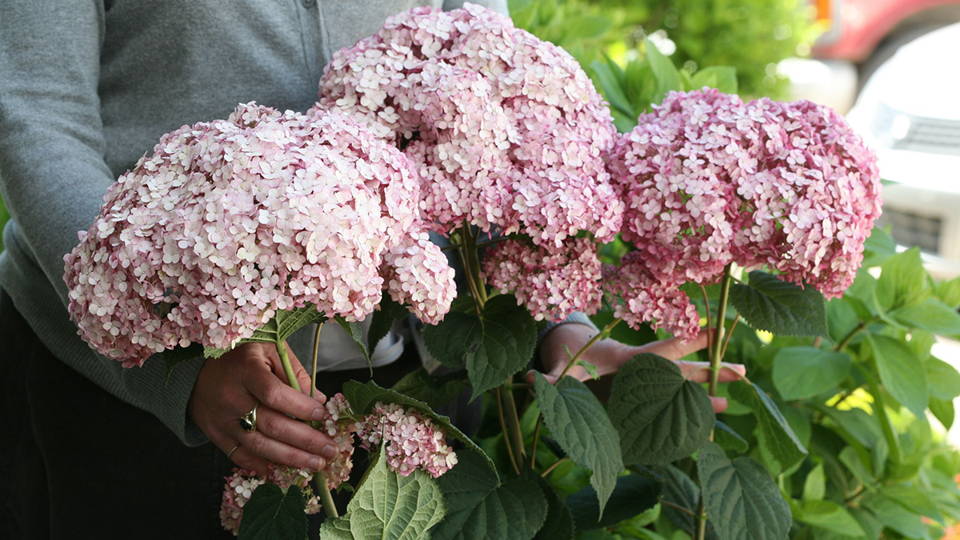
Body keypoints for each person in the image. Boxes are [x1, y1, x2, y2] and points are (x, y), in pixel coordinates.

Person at [0, 1, 743, 538]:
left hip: (419, 382)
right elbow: (39, 114)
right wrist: (177, 364)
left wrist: (558, 329)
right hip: (147, 404)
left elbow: (491, 90)